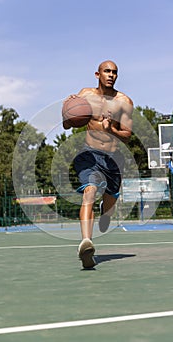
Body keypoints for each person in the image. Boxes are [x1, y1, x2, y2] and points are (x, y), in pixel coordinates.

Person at [63, 60, 133, 269]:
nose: (111, 75)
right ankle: (86, 242)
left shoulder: (124, 101)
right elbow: (67, 123)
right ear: (97, 74)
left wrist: (110, 129)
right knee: (90, 191)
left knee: (109, 204)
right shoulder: (84, 95)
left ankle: (106, 211)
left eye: (114, 72)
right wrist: (68, 111)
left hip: (113, 158)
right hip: (89, 154)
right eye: (107, 71)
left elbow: (127, 135)